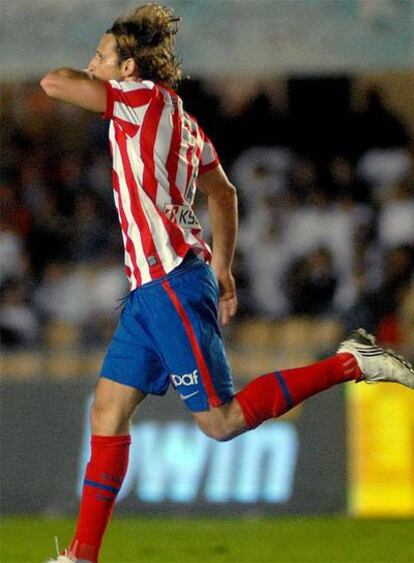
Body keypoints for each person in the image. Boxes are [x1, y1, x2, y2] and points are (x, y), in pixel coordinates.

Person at [40, 5, 414, 563]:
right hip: (155, 288)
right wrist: (224, 269)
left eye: (102, 55)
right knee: (106, 411)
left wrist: (89, 75)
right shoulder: (184, 121)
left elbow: (52, 83)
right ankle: (80, 556)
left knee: (220, 421)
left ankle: (351, 363)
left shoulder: (137, 100)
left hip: (169, 284)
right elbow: (224, 194)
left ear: (128, 67)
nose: (92, 63)